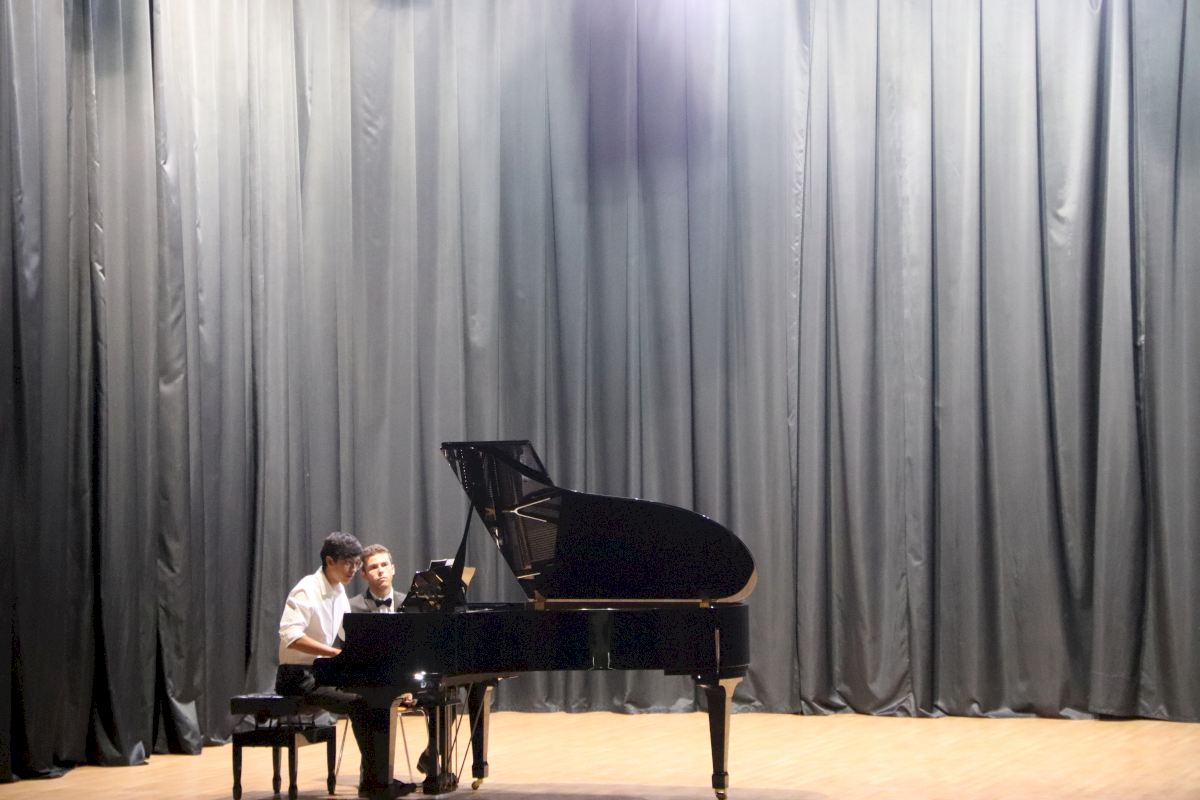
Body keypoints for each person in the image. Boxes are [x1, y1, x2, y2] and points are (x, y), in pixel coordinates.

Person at [276, 532, 415, 799]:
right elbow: (290, 636)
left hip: (323, 671)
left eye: (356, 563)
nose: (354, 569)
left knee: (377, 698)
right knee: (360, 703)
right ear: (330, 561)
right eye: (349, 563)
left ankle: (378, 780)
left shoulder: (339, 590)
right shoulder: (307, 589)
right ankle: (375, 783)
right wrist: (332, 652)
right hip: (297, 676)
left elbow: (345, 637)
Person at [349, 544, 406, 613]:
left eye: (384, 565)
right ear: (364, 574)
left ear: (393, 569)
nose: (380, 571)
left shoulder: (409, 603)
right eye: (374, 567)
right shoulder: (351, 607)